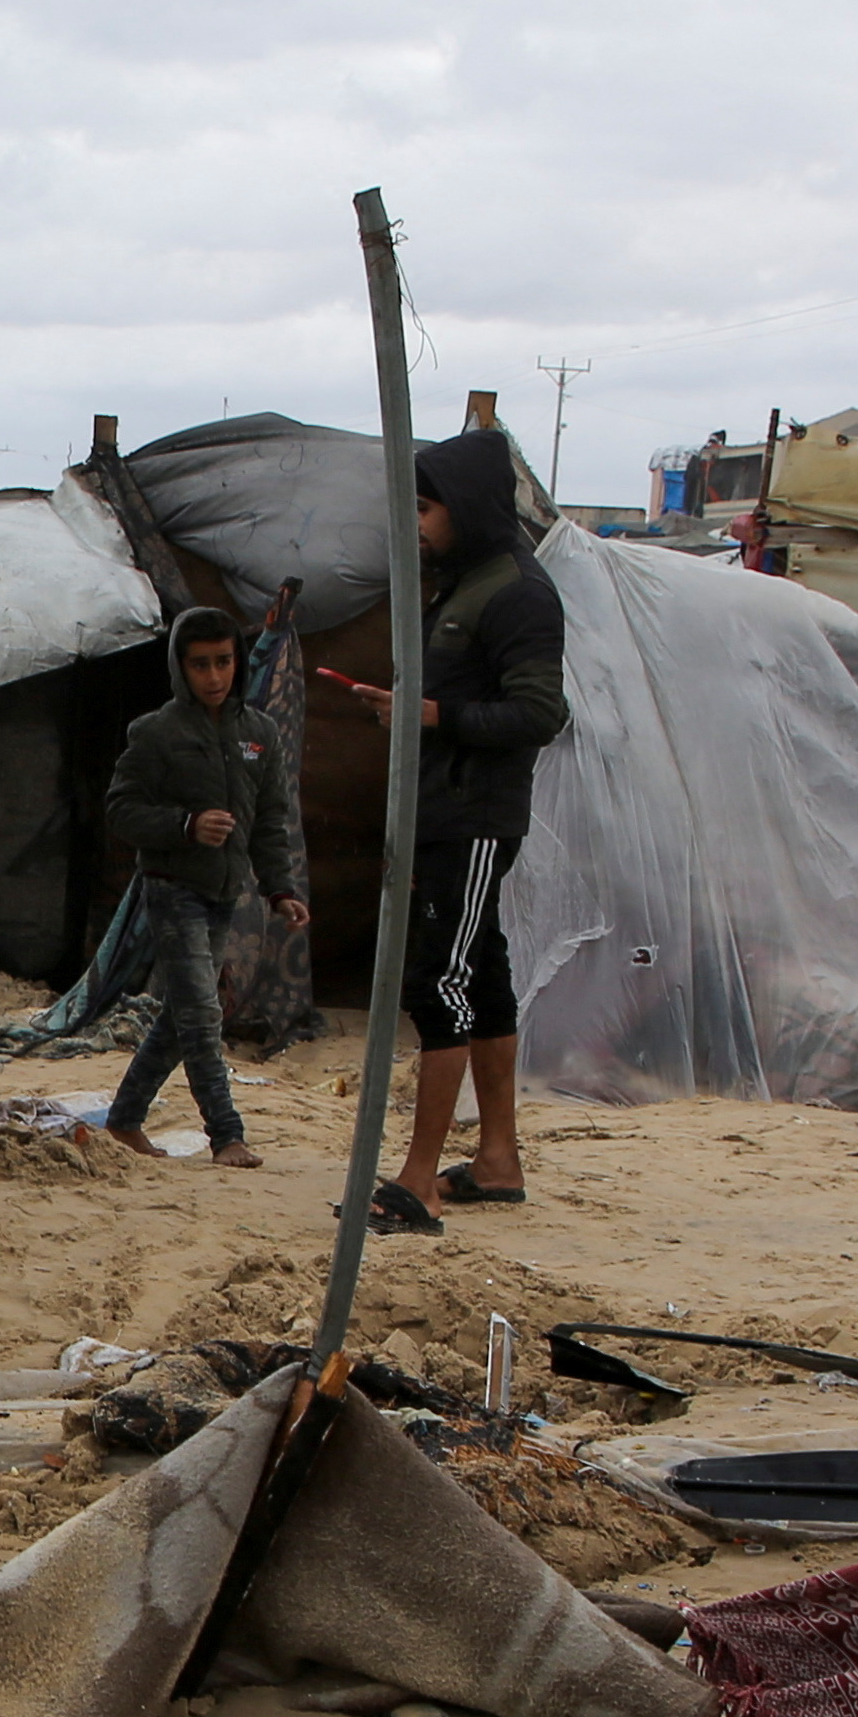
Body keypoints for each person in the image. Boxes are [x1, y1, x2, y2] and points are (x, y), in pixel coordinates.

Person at [319, 432, 567, 1230]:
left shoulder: (518, 593)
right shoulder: (463, 585)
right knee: (481, 975)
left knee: (442, 982)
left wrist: (429, 714)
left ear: (466, 509)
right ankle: (496, 1161)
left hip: (474, 818)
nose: (418, 522)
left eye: (427, 507)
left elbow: (540, 713)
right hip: (447, 812)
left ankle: (418, 1178)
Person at [97, 604, 308, 1167]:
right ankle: (226, 1133)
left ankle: (122, 1120)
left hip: (223, 894)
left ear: (238, 662)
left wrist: (281, 889)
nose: (214, 677)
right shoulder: (156, 733)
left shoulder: (258, 734)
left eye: (223, 663)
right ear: (179, 668)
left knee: (185, 1011)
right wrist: (185, 826)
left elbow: (270, 819)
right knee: (201, 1012)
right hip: (171, 888)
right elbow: (120, 809)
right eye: (200, 666)